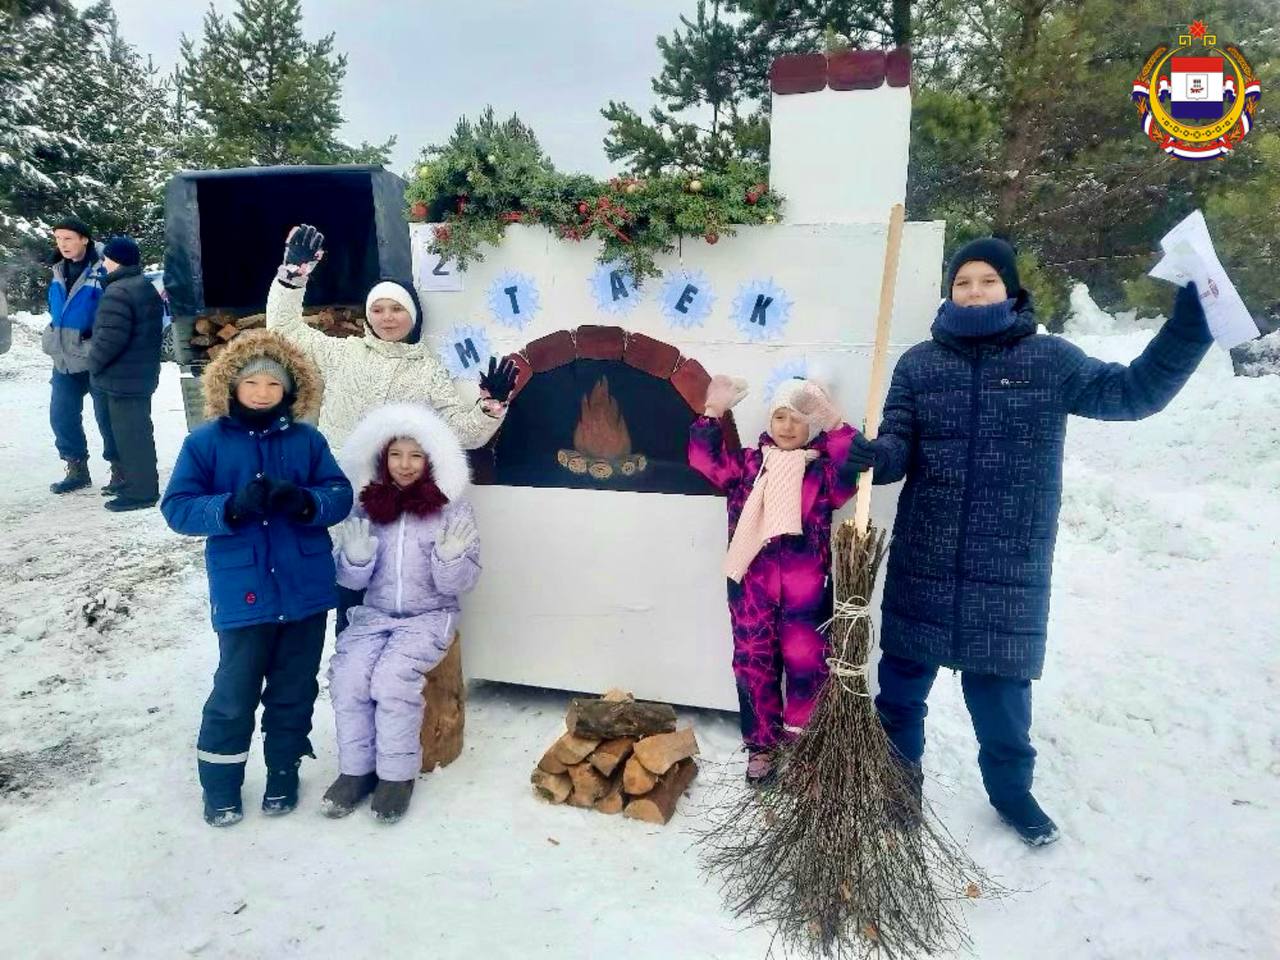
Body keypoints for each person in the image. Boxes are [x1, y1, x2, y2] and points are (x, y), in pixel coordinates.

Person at [839, 237, 1214, 845]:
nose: (975, 291)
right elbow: (896, 450)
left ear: (1011, 290)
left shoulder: (1050, 361)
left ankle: (1012, 796)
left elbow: (1133, 394)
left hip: (1007, 563)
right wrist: (866, 457)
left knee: (1002, 707)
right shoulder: (919, 365)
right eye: (963, 282)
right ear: (949, 291)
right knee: (900, 692)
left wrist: (1191, 325)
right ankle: (897, 789)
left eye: (987, 280)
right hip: (925, 557)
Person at [265, 224, 516, 635]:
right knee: (347, 593)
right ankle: (351, 674)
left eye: (396, 309)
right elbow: (285, 330)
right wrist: (292, 276)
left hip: (396, 503)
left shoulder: (428, 370)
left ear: (412, 315)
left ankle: (400, 680)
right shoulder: (343, 353)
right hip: (340, 493)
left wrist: (490, 407)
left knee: (393, 593)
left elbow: (463, 433)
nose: (386, 317)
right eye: (378, 309)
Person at [160, 331, 353, 827]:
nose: (263, 392)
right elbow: (178, 507)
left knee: (295, 687)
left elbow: (339, 493)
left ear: (291, 389)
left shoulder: (307, 440)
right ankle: (221, 786)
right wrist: (229, 507)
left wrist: (306, 501)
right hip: (243, 592)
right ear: (232, 384)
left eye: (274, 383)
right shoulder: (205, 442)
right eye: (253, 382)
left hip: (305, 590)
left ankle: (283, 772)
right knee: (235, 691)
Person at [689, 375, 859, 785]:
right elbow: (704, 461)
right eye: (780, 416)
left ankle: (803, 748)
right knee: (753, 665)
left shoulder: (821, 473)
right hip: (751, 587)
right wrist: (712, 412)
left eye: (797, 419)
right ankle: (761, 747)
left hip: (807, 593)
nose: (786, 426)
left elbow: (854, 469)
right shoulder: (748, 465)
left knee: (809, 668)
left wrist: (835, 422)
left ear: (809, 427)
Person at [322, 402, 481, 823]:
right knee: (349, 677)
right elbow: (352, 584)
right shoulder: (368, 506)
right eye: (396, 454)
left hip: (429, 615)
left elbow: (460, 584)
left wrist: (449, 559)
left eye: (415, 455)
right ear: (381, 457)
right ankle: (355, 771)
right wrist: (354, 559)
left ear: (431, 459)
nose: (405, 465)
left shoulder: (451, 510)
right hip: (374, 616)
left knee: (392, 680)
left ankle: (396, 776)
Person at [87, 237, 164, 511]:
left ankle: (141, 493)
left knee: (131, 437)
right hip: (138, 375)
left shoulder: (118, 291)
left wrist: (92, 364)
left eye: (106, 257)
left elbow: (109, 340)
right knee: (136, 433)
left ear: (115, 259)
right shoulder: (143, 286)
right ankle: (132, 482)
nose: (103, 263)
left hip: (122, 378)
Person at [41, 215, 117, 494]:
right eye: (59, 239)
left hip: (95, 356)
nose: (63, 244)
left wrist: (96, 343)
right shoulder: (57, 269)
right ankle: (76, 467)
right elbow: (56, 310)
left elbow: (115, 311)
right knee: (61, 414)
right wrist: (52, 336)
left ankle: (119, 468)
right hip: (64, 357)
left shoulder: (104, 268)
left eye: (68, 238)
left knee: (106, 416)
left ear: (84, 239)